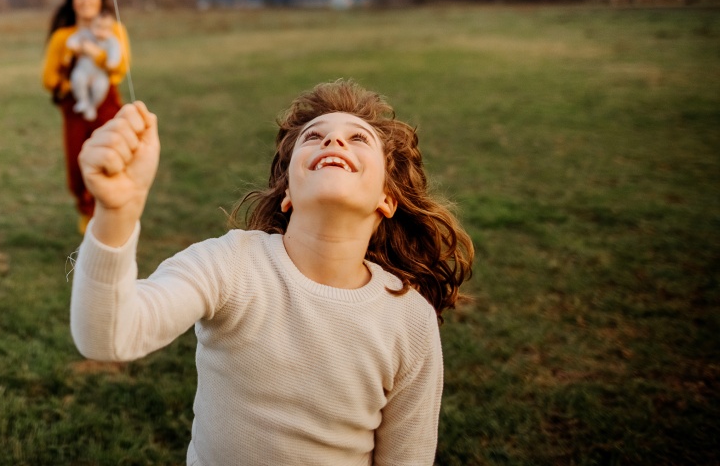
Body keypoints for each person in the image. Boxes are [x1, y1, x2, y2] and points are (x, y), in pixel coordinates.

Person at [70, 80, 474, 465]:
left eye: (358, 138)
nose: (333, 141)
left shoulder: (410, 319)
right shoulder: (230, 263)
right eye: (313, 136)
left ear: (387, 198)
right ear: (287, 193)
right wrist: (116, 213)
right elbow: (109, 337)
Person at [42, 0, 131, 234]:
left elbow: (120, 68)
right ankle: (87, 212)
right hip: (75, 107)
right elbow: (48, 78)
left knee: (111, 158)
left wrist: (95, 54)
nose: (85, 0)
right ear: (72, 2)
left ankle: (113, 213)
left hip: (106, 104)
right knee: (78, 162)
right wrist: (72, 84)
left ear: (101, 0)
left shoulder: (115, 30)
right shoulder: (63, 37)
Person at [67, 11, 123, 122]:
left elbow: (115, 53)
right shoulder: (85, 35)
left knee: (100, 88)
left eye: (105, 29)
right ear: (91, 26)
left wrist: (112, 61)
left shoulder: (112, 41)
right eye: (98, 27)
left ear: (111, 30)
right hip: (83, 69)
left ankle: (92, 105)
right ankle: (82, 100)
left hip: (99, 73)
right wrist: (74, 45)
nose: (101, 31)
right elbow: (72, 40)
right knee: (77, 79)